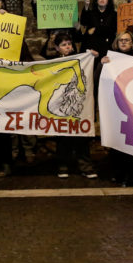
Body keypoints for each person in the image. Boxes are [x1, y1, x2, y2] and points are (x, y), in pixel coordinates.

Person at [51, 31, 97, 179]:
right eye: (63, 45)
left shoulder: (81, 59)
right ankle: (63, 165)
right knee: (63, 137)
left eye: (69, 44)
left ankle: (85, 166)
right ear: (57, 48)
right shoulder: (52, 62)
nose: (67, 47)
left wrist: (92, 57)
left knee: (81, 137)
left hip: (78, 103)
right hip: (61, 104)